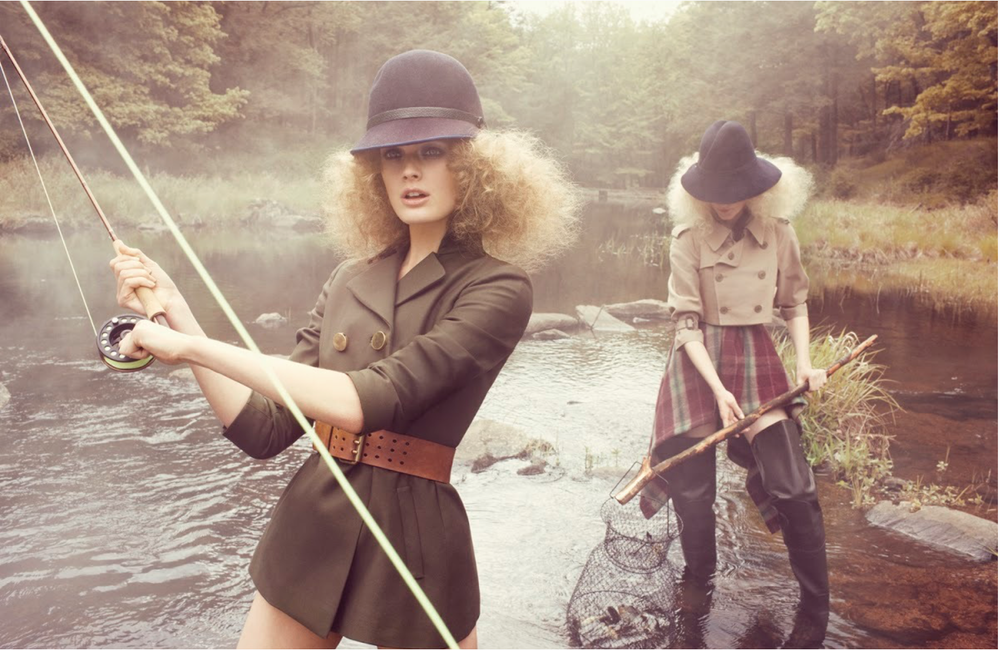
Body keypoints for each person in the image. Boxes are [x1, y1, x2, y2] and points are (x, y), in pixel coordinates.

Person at [109, 50, 579, 649]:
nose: (410, 171)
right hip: (318, 516)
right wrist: (179, 311)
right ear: (374, 174)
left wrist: (192, 349)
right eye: (393, 155)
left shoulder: (499, 287)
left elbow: (371, 399)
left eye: (431, 152)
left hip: (416, 541)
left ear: (475, 168)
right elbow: (263, 429)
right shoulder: (349, 278)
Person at [645, 120, 829, 648]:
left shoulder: (781, 233)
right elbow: (685, 324)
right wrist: (718, 390)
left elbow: (794, 302)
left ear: (757, 187)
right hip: (697, 362)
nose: (725, 203)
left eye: (735, 192)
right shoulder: (686, 239)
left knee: (794, 486)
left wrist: (804, 363)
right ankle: (698, 588)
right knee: (694, 494)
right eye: (715, 193)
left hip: (755, 357)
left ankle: (816, 611)